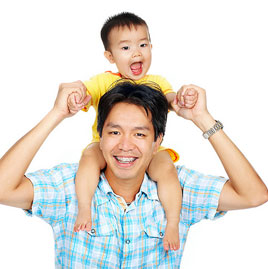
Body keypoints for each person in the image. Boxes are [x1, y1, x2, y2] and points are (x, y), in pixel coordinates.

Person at [0, 80, 267, 268]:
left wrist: (203, 119)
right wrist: (56, 114)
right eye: (114, 132)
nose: (125, 145)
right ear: (100, 137)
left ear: (157, 141)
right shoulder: (71, 186)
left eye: (139, 134)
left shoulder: (176, 186)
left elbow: (254, 195)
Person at [66, 11, 198, 251]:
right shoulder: (103, 82)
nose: (137, 52)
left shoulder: (157, 82)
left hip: (148, 148)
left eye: (143, 44)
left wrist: (181, 99)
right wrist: (77, 95)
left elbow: (170, 99)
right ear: (110, 56)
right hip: (106, 147)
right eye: (126, 48)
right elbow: (85, 91)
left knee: (167, 169)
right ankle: (84, 209)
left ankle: (173, 223)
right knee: (88, 158)